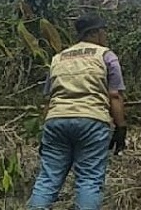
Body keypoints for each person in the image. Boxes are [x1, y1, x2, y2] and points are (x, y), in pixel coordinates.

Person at [27, 14, 127, 210]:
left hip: (55, 121)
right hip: (92, 121)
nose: (105, 35)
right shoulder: (106, 56)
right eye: (103, 31)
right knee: (89, 180)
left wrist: (44, 131)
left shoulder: (58, 58)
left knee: (47, 179)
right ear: (96, 33)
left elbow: (48, 99)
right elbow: (114, 96)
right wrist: (121, 127)